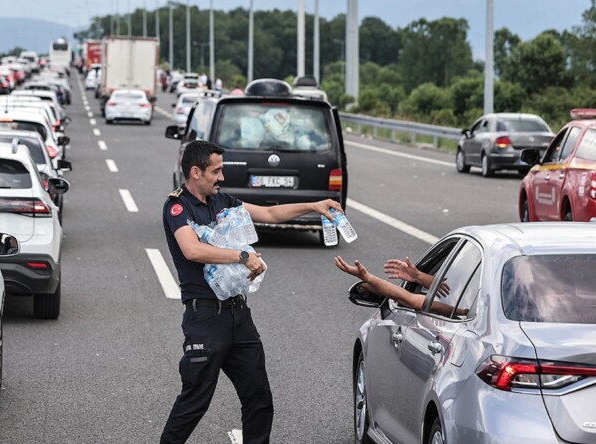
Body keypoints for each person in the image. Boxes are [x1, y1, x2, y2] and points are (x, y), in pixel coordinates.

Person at [160, 140, 344, 444]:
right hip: (205, 317)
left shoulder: (224, 201)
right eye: (216, 171)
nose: (221, 177)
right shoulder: (178, 206)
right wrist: (242, 256)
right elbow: (192, 250)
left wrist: (314, 206)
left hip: (238, 315)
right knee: (195, 402)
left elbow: (269, 215)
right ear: (196, 172)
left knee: (259, 398)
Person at [334, 256, 468, 317]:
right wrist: (418, 277)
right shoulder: (473, 294)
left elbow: (407, 298)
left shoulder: (472, 305)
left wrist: (367, 277)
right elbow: (451, 290)